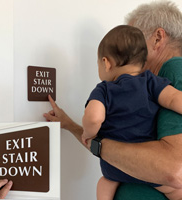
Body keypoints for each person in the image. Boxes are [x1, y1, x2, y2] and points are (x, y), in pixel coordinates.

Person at [43, 1, 182, 199]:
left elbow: (173, 171)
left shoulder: (174, 69)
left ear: (158, 38)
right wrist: (71, 126)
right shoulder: (152, 83)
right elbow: (115, 144)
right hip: (142, 181)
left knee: (104, 183)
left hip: (117, 176)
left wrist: (92, 138)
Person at [81, 24, 182, 200]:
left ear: (106, 63)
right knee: (176, 190)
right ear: (143, 63)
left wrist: (88, 134)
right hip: (150, 165)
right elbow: (174, 99)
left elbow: (94, 118)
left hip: (115, 167)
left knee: (104, 184)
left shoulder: (104, 90)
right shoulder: (151, 81)